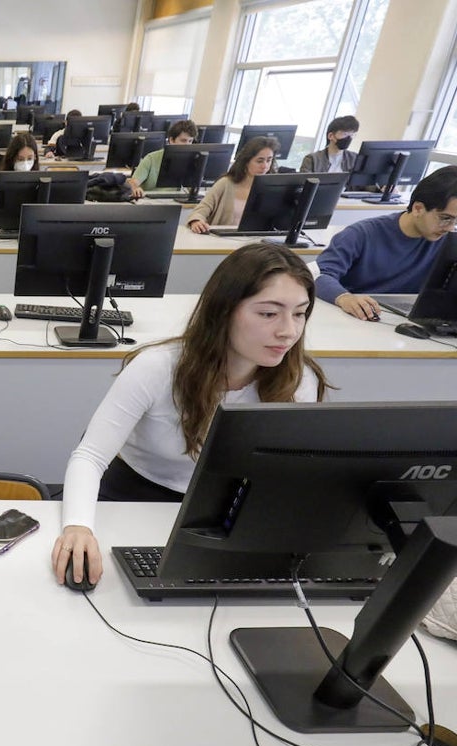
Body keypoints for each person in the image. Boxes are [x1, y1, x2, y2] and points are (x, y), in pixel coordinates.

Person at [51, 242, 330, 587]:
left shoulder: (299, 380)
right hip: (133, 495)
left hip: (225, 513)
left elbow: (293, 473)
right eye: (268, 313)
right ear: (225, 311)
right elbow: (90, 455)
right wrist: (78, 526)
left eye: (300, 313)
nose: (288, 330)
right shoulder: (158, 367)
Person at [313, 164, 457, 319]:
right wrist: (344, 298)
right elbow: (318, 275)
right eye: (445, 219)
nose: (450, 228)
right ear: (418, 209)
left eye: (455, 221)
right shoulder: (361, 234)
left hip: (406, 319)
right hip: (357, 317)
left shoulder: (449, 242)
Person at [186, 136, 278, 233]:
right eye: (259, 161)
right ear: (246, 161)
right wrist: (196, 221)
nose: (265, 166)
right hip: (221, 241)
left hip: (255, 241)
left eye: (269, 160)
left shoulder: (271, 189)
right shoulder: (225, 183)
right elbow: (201, 210)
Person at [0, 132, 40, 230]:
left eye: (29, 158)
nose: (25, 163)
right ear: (12, 159)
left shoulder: (43, 183)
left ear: (35, 158)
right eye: (20, 159)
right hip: (2, 235)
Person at [125, 118, 198, 198]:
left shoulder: (190, 161)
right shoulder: (151, 159)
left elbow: (191, 188)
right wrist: (136, 188)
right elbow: (133, 183)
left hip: (174, 201)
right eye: (183, 141)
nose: (187, 145)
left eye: (190, 141)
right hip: (150, 202)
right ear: (171, 140)